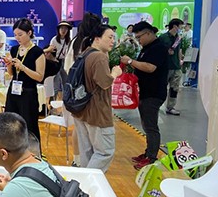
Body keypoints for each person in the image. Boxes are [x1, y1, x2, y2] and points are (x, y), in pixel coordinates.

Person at [72, 24, 122, 172]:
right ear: (97, 38)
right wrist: (115, 73)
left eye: (113, 37)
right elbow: (105, 83)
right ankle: (87, 181)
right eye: (109, 37)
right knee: (104, 152)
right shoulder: (99, 57)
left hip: (82, 109)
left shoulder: (85, 53)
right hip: (97, 112)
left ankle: (83, 182)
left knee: (87, 152)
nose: (112, 41)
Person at [123, 22, 169, 170]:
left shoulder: (159, 48)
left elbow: (150, 67)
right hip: (145, 92)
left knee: (151, 126)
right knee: (146, 125)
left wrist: (131, 61)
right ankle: (148, 152)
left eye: (139, 37)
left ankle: (151, 157)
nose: (138, 40)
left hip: (153, 93)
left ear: (148, 33)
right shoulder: (147, 48)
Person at [63, 12, 101, 166]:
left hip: (75, 90)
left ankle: (77, 159)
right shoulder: (94, 43)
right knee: (90, 128)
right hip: (91, 91)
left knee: (78, 127)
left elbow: (67, 67)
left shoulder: (75, 41)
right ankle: (87, 160)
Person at [3, 18, 45, 144]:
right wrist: (9, 65)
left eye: (20, 35)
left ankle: (32, 151)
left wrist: (23, 67)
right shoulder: (14, 50)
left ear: (29, 33)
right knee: (10, 124)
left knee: (29, 126)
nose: (17, 38)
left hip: (28, 93)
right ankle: (13, 151)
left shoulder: (37, 52)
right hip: (13, 91)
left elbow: (39, 77)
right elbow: (11, 74)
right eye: (15, 35)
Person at [159, 18, 184, 115]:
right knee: (162, 87)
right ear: (175, 26)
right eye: (180, 26)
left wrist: (180, 61)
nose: (181, 28)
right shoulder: (163, 37)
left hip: (176, 67)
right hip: (165, 67)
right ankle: (158, 104)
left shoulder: (178, 38)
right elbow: (158, 51)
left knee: (174, 88)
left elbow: (179, 51)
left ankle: (170, 107)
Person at [45, 21, 72, 97]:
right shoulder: (54, 40)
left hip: (64, 61)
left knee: (65, 81)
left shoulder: (69, 40)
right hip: (56, 61)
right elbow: (50, 51)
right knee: (56, 82)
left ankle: (66, 99)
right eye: (62, 28)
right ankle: (54, 99)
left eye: (65, 29)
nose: (63, 30)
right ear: (59, 30)